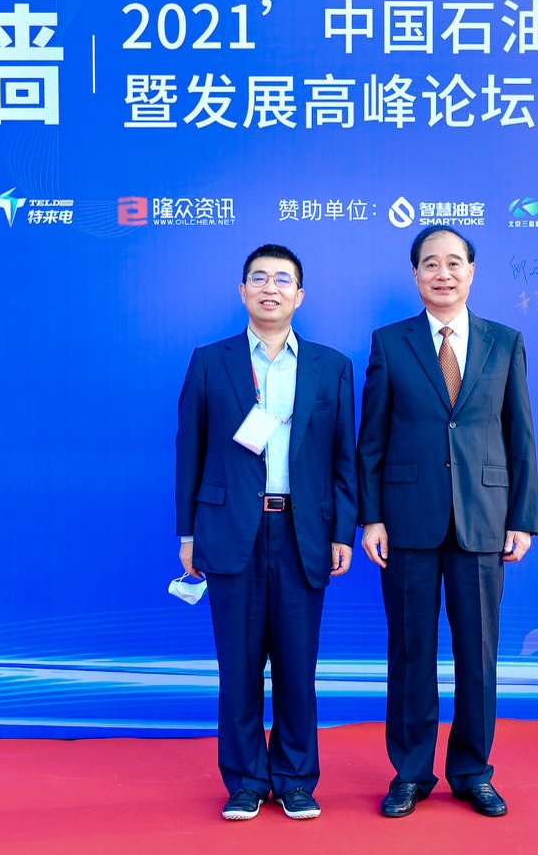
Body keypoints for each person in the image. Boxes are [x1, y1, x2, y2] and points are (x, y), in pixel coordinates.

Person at [357, 225, 538, 819]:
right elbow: (372, 440)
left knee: (478, 657)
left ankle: (472, 771)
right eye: (430, 264)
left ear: (472, 271)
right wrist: (371, 517)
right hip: (407, 522)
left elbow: (520, 436)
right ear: (415, 274)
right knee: (411, 654)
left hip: (483, 519)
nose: (443, 273)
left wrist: (522, 519)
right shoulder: (391, 342)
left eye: (454, 262)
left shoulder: (504, 342)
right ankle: (410, 773)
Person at [175, 244, 358, 822]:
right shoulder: (211, 361)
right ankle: (246, 780)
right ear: (242, 291)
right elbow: (189, 450)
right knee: (239, 665)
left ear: (299, 295)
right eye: (258, 278)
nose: (270, 288)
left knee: (298, 666)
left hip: (303, 530)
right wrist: (187, 534)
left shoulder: (331, 366)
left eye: (282, 279)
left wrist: (343, 533)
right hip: (230, 530)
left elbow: (343, 458)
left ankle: (297, 778)